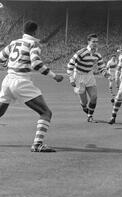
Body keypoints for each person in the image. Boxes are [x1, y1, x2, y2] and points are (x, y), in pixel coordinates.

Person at [0, 21, 64, 152]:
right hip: (21, 81)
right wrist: (54, 75)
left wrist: (9, 64)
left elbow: (1, 58)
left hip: (7, 80)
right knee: (46, 112)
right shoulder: (33, 44)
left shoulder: (14, 42)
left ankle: (38, 144)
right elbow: (35, 64)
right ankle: (37, 144)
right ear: (35, 31)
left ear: (23, 31)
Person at [67, 33, 110, 122]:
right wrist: (71, 78)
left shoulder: (97, 54)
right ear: (88, 42)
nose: (95, 43)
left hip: (89, 75)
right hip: (78, 76)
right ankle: (84, 106)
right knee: (84, 102)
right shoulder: (81, 52)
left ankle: (90, 116)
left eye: (97, 42)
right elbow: (70, 64)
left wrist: (106, 73)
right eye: (93, 41)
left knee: (94, 97)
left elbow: (102, 66)